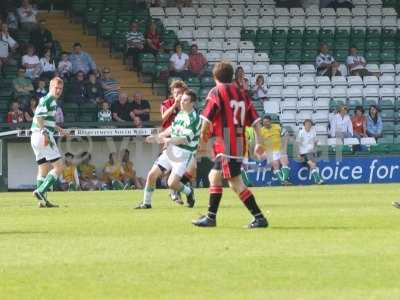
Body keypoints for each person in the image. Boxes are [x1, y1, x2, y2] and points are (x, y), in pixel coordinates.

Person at [192, 62, 268, 228]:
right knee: (214, 177)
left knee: (235, 183)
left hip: (227, 145)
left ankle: (259, 217)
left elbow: (205, 120)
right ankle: (211, 217)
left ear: (215, 77)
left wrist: (201, 142)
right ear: (231, 76)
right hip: (237, 144)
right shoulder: (242, 94)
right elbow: (255, 121)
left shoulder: (216, 92)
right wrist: (259, 142)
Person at [136, 90, 199, 209]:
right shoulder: (181, 114)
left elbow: (184, 140)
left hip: (183, 154)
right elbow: (171, 128)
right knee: (152, 175)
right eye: (182, 100)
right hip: (171, 150)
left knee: (171, 183)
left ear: (193, 103)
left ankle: (189, 192)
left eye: (185, 100)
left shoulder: (194, 119)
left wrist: (166, 140)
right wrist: (157, 137)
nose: (181, 102)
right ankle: (146, 203)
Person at [31, 77, 68, 207]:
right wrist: (45, 133)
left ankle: (42, 202)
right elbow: (39, 117)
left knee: (43, 168)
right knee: (59, 167)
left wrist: (59, 129)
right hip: (43, 136)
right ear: (50, 87)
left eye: (60, 89)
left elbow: (45, 119)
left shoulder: (47, 100)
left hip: (34, 137)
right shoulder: (49, 99)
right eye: (56, 88)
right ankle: (41, 191)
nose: (58, 90)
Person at [257, 115, 291, 185]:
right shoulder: (261, 131)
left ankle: (284, 180)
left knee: (285, 162)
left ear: (270, 122)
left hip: (280, 149)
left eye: (267, 122)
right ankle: (283, 181)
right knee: (275, 165)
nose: (265, 123)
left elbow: (286, 133)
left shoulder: (277, 127)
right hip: (270, 151)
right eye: (264, 122)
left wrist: (285, 143)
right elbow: (259, 142)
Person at [296, 119, 324, 185]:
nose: (308, 125)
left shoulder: (313, 132)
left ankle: (318, 180)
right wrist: (298, 153)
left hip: (311, 153)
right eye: (307, 124)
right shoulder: (301, 132)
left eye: (309, 124)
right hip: (303, 153)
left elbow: (316, 141)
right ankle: (318, 180)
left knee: (313, 166)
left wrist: (319, 145)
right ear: (304, 125)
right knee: (312, 164)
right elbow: (298, 143)